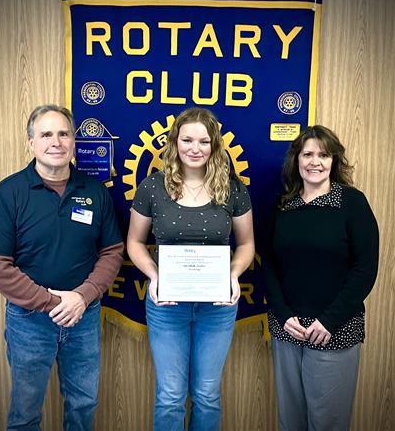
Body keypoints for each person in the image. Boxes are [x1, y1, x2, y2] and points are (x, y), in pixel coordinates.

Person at [0, 104, 124, 431]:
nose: (56, 142)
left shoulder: (94, 191)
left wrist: (82, 297)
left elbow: (112, 251)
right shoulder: (8, 193)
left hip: (83, 316)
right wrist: (53, 302)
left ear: (73, 141)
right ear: (31, 142)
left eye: (63, 134)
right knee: (25, 412)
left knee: (84, 404)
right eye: (46, 134)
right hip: (29, 320)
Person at [127, 107, 255, 431]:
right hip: (167, 305)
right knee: (170, 395)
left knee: (207, 394)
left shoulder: (232, 188)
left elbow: (246, 244)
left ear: (215, 145)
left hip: (218, 305)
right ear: (174, 142)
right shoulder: (153, 187)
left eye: (203, 141)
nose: (195, 148)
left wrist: (233, 274)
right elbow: (134, 242)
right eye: (187, 140)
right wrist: (154, 275)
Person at [263, 125, 379, 431]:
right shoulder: (283, 206)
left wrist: (329, 321)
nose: (315, 162)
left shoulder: (352, 203)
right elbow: (269, 265)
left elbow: (365, 268)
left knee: (328, 422)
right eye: (308, 154)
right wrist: (283, 315)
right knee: (291, 421)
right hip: (288, 328)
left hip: (334, 330)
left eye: (323, 155)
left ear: (334, 161)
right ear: (297, 160)